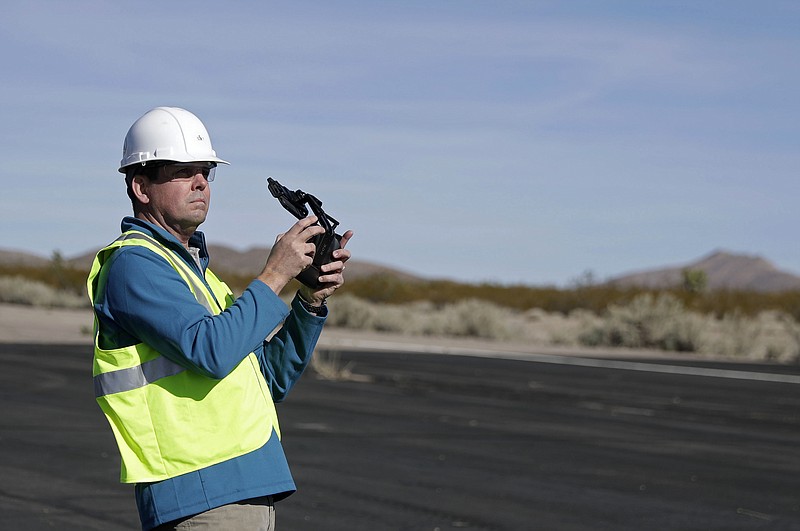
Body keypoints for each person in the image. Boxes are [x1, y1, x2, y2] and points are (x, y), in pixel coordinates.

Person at [87, 106, 353, 530]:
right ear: (141, 186)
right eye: (183, 171)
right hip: (199, 495)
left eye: (206, 172)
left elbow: (269, 379)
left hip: (245, 487)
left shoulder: (200, 276)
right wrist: (275, 274)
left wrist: (309, 302)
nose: (201, 183)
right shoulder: (133, 266)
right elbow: (210, 351)